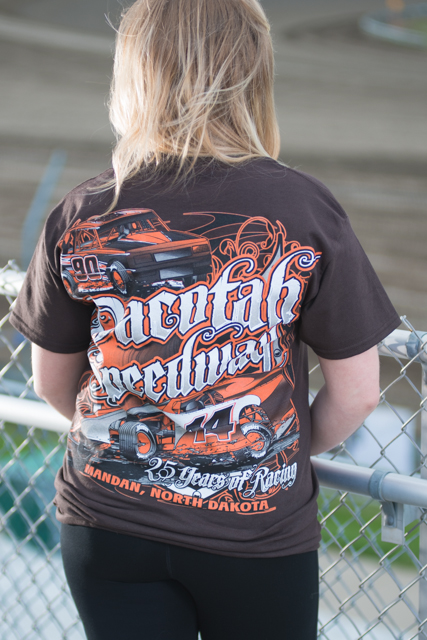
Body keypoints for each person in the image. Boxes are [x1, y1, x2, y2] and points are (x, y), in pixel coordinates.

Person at [10, 1, 401, 638]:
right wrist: (277, 450)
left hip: (106, 520)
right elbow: (358, 394)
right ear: (253, 75)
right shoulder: (303, 208)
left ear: (134, 75)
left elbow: (53, 384)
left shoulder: (82, 212)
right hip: (255, 535)